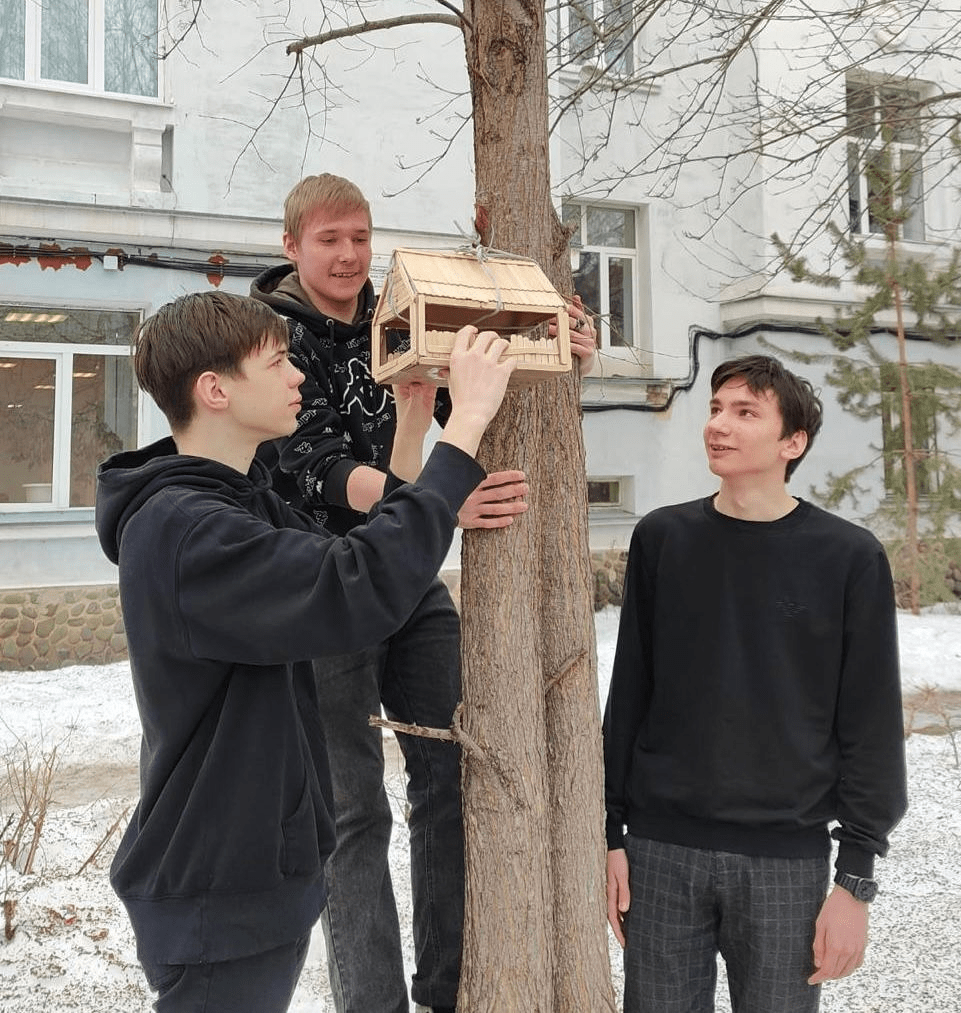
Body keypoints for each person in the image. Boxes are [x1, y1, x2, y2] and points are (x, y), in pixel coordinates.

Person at [94, 290, 514, 1013]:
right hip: (219, 891)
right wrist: (465, 422)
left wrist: (415, 418)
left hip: (253, 876)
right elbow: (354, 586)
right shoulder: (189, 529)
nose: (298, 378)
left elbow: (365, 558)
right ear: (216, 389)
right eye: (279, 362)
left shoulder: (235, 504)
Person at [250, 173, 596, 1013]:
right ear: (291, 246)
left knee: (454, 777)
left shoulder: (399, 313)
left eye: (360, 237)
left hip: (405, 573)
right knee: (351, 812)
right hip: (319, 584)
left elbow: (472, 380)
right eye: (328, 239)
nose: (348, 254)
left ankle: (449, 991)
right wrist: (432, 498)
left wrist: (559, 338)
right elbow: (315, 466)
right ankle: (372, 1004)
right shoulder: (263, 336)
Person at [603, 354, 908, 1013]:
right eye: (715, 408)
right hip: (660, 852)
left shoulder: (848, 557)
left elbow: (870, 721)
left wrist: (853, 881)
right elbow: (629, 693)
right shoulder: (662, 538)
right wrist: (609, 834)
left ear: (791, 442)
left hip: (784, 861)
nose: (718, 424)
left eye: (745, 412)